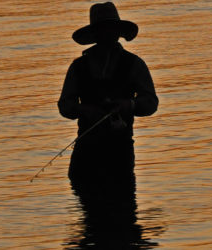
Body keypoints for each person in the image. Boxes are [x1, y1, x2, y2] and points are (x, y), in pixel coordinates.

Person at [58, 2, 158, 199]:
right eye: (103, 29)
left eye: (110, 29)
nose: (107, 34)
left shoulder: (134, 64)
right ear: (95, 34)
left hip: (120, 153)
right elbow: (65, 106)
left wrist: (129, 105)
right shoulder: (78, 67)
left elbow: (151, 103)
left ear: (118, 31)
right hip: (86, 152)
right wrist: (84, 110)